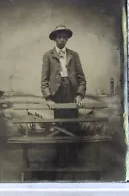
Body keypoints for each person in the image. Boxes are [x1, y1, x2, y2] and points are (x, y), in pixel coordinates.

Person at [41, 25, 86, 170]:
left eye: (64, 36)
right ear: (54, 38)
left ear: (67, 38)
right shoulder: (48, 55)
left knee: (73, 124)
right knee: (59, 125)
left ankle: (73, 157)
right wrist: (48, 98)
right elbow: (44, 80)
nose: (62, 39)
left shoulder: (74, 55)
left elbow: (81, 78)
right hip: (57, 93)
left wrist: (79, 95)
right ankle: (60, 158)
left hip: (71, 91)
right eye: (59, 36)